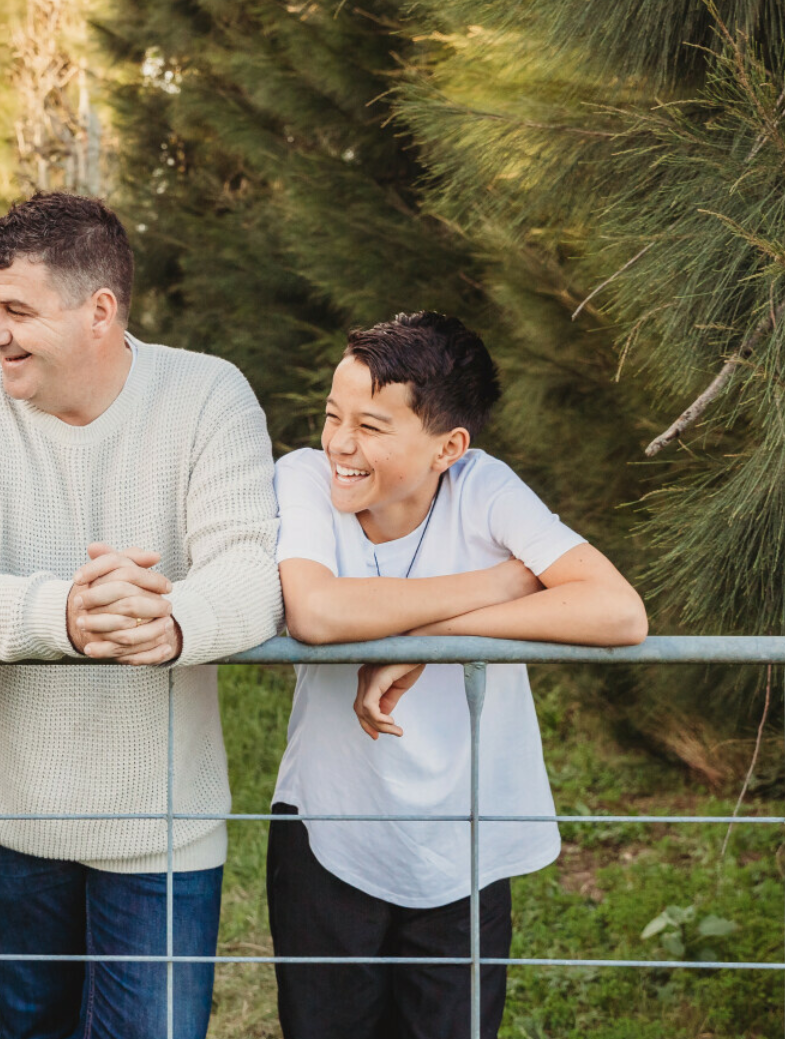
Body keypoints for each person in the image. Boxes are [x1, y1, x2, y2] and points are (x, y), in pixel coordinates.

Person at [0, 192, 283, 1039]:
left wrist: (173, 622)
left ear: (99, 310)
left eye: (17, 310)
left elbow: (251, 569)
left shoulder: (209, 396)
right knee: (34, 1024)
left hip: (163, 814)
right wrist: (64, 615)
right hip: (6, 803)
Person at [268, 311, 648, 1039]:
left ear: (449, 447)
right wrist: (502, 584)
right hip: (326, 830)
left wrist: (428, 638)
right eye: (332, 416)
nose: (340, 444)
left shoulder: (487, 488)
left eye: (372, 427)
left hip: (463, 842)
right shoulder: (305, 479)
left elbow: (619, 613)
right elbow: (316, 612)